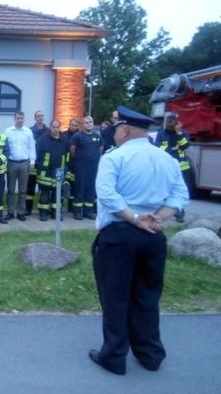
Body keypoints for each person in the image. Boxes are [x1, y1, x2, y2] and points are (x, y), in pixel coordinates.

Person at [89, 106, 189, 376]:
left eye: (116, 130)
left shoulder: (114, 157)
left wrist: (135, 218)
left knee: (115, 297)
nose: (114, 134)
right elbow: (180, 195)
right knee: (147, 296)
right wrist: (158, 217)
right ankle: (150, 354)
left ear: (124, 130)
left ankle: (114, 357)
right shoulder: (166, 159)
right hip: (154, 236)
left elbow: (107, 195)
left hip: (120, 235)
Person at [154, 113, 193, 222]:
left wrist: (179, 133)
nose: (169, 126)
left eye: (171, 124)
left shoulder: (183, 133)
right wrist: (172, 149)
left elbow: (185, 145)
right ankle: (161, 211)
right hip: (166, 165)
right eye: (168, 124)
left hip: (181, 166)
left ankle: (179, 212)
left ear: (176, 124)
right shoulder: (161, 134)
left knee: (179, 190)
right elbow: (157, 147)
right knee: (163, 188)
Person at [4, 111, 36, 222]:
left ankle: (21, 212)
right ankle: (10, 212)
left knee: (23, 190)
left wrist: (32, 162)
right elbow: (5, 148)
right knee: (11, 189)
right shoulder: (8, 131)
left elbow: (31, 147)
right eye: (18, 118)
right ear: (14, 119)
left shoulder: (28, 132)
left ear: (24, 119)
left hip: (24, 163)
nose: (20, 120)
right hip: (11, 163)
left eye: (21, 118)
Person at [70, 116, 102, 220]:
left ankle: (88, 212)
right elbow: (72, 150)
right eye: (86, 122)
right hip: (81, 168)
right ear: (82, 125)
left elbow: (101, 148)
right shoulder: (77, 136)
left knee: (91, 190)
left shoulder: (97, 136)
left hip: (93, 168)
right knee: (79, 189)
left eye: (90, 122)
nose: (89, 124)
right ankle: (77, 212)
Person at [36, 120, 68, 221]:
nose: (55, 129)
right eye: (54, 127)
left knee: (57, 194)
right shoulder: (43, 139)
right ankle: (43, 213)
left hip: (59, 171)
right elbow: (38, 153)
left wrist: (65, 169)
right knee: (44, 193)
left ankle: (56, 212)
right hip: (45, 171)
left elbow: (67, 154)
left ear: (60, 127)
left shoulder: (64, 139)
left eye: (57, 127)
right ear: (50, 127)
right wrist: (39, 166)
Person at [26, 110, 50, 215]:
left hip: (45, 164)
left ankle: (43, 210)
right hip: (33, 164)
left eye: (42, 116)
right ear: (35, 118)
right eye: (38, 116)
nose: (40, 117)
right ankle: (28, 209)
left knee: (43, 188)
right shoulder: (30, 131)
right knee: (30, 187)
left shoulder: (48, 131)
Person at [62, 118, 80, 212]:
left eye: (75, 125)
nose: (73, 127)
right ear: (69, 125)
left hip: (75, 164)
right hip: (64, 163)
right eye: (72, 125)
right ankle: (59, 207)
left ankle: (71, 208)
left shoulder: (80, 135)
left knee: (74, 185)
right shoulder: (63, 135)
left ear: (78, 126)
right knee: (62, 184)